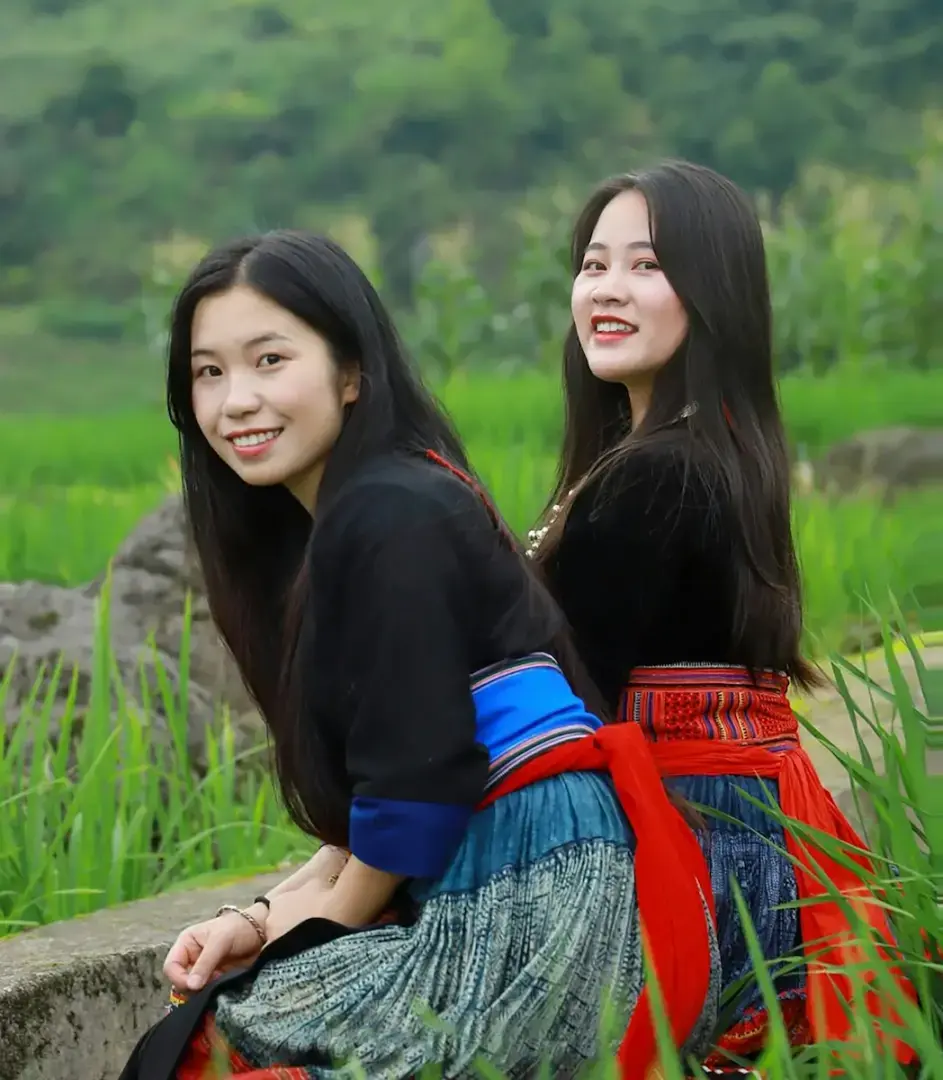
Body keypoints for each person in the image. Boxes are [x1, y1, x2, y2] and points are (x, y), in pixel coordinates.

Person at [118, 229, 721, 1080]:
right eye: (208, 373)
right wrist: (259, 917)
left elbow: (416, 790)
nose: (236, 401)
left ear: (352, 372)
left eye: (269, 360)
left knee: (199, 1054)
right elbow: (390, 778)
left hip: (530, 898)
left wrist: (297, 937)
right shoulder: (378, 505)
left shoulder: (389, 512)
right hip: (511, 864)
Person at [529, 161, 917, 1072]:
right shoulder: (700, 453)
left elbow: (555, 691)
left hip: (688, 839)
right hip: (739, 824)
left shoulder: (660, 475)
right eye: (592, 265)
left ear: (711, 296)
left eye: (645, 265)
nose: (607, 290)